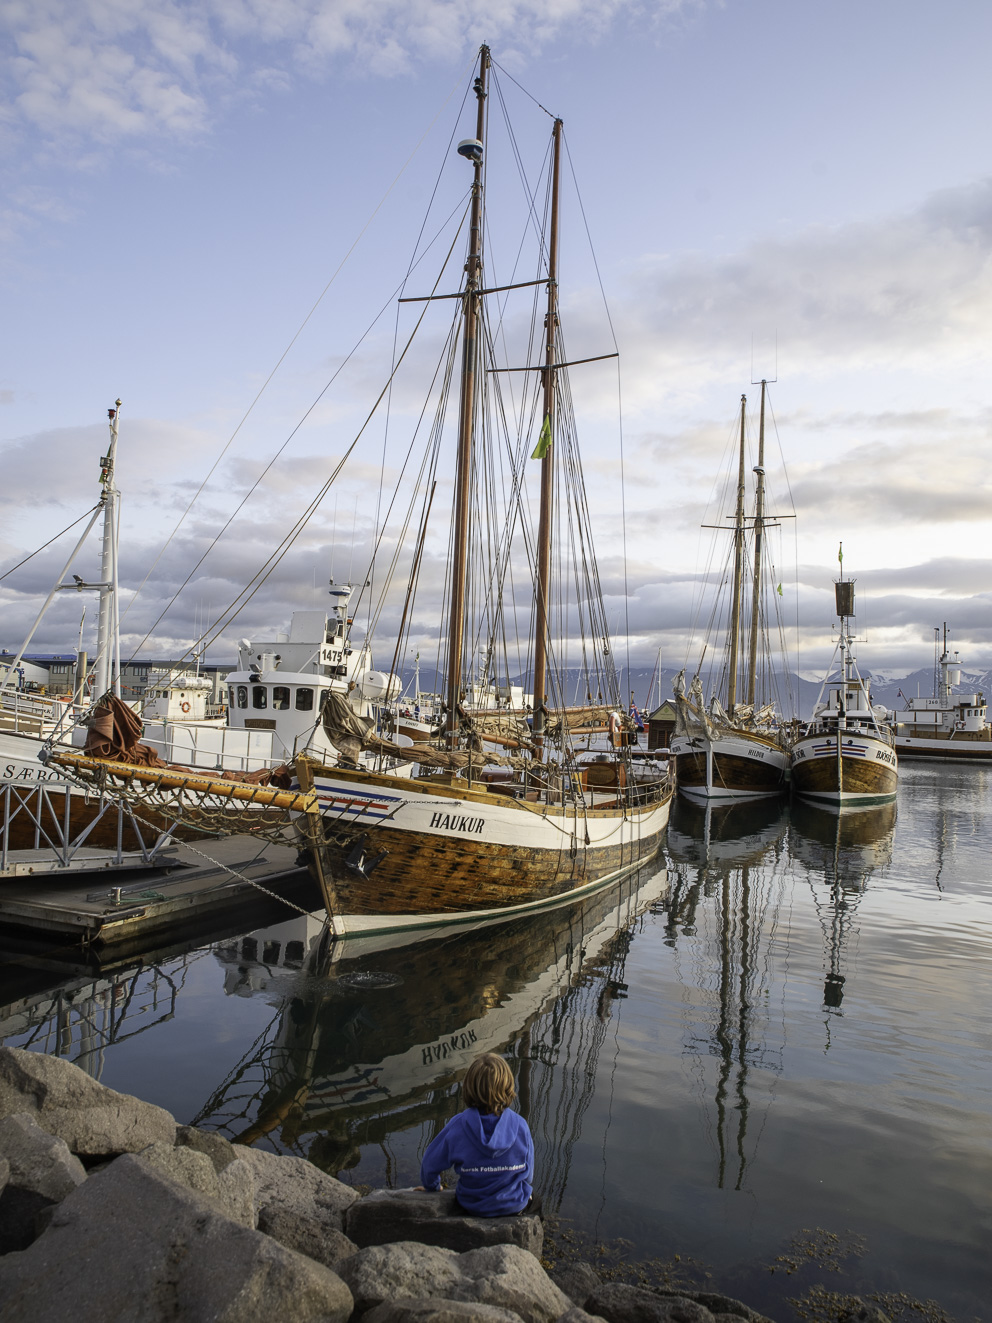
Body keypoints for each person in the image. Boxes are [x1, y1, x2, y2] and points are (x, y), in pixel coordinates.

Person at [419, 1053, 535, 1216]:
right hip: (513, 1205)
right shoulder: (520, 1126)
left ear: (469, 1086)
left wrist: (433, 1186)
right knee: (537, 1204)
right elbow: (528, 1176)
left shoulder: (458, 1125)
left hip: (471, 1204)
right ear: (508, 1086)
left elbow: (429, 1165)